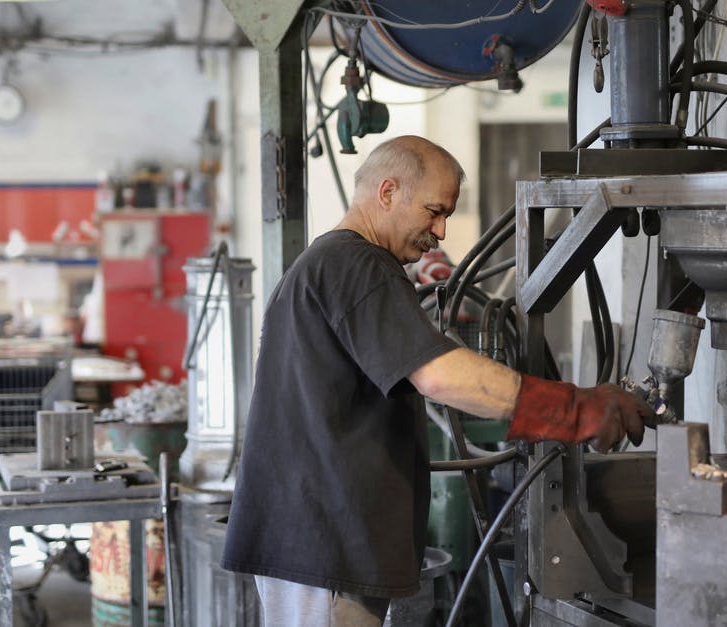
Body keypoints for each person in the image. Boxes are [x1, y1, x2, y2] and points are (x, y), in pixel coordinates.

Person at [221, 135, 652, 626]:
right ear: (387, 192)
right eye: (434, 211)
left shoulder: (330, 263)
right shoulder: (356, 264)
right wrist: (576, 409)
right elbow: (440, 374)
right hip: (322, 548)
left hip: (320, 544)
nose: (441, 231)